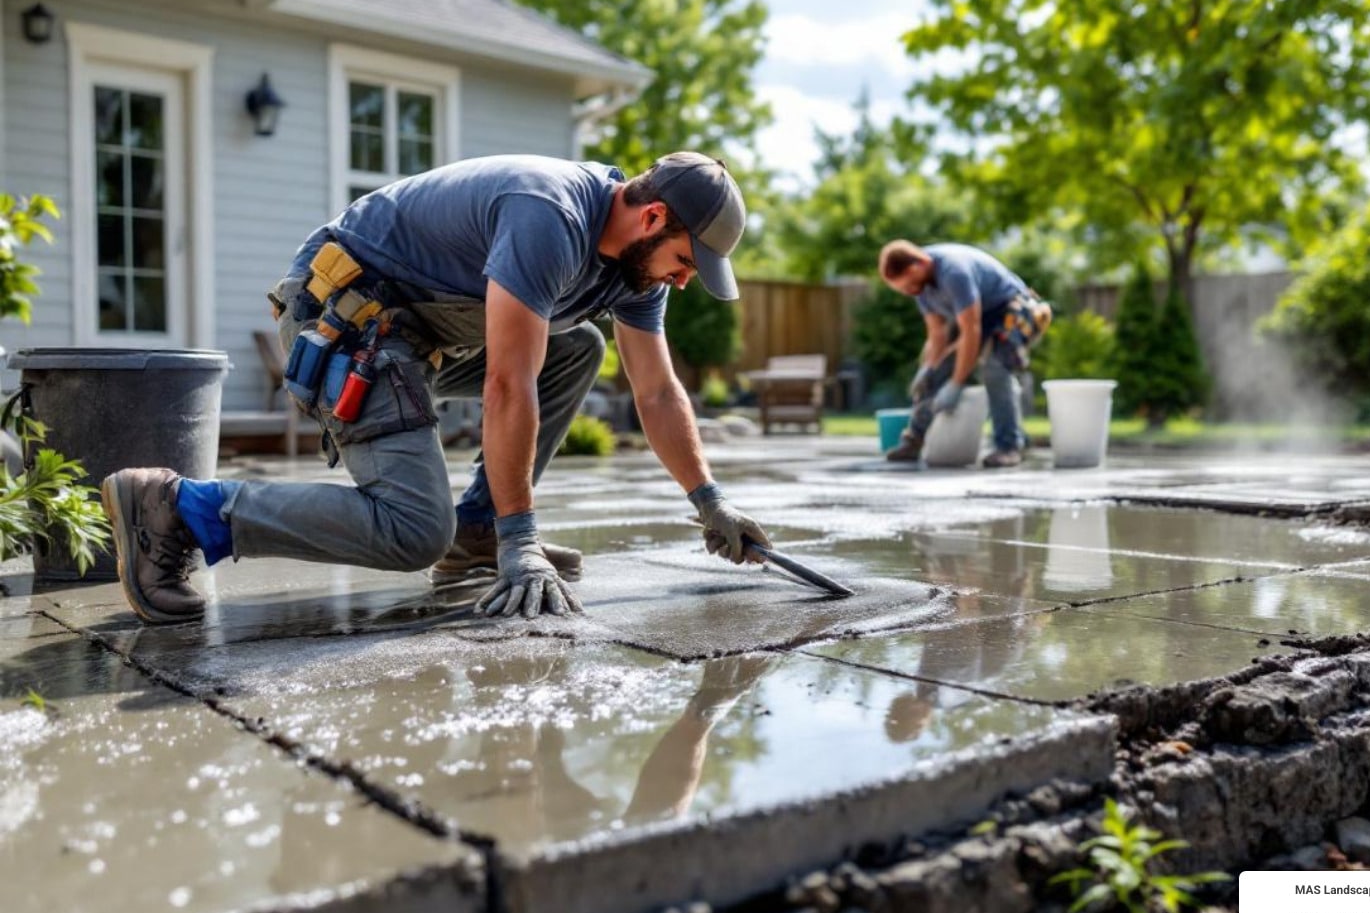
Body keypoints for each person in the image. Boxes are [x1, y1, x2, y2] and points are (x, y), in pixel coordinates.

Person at [101, 152, 772, 625]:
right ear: (653, 219)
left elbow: (656, 391)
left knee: (578, 349)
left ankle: (476, 531)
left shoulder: (632, 274)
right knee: (413, 529)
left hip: (419, 333)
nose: (683, 281)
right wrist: (524, 540)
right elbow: (508, 385)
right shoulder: (551, 214)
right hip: (348, 315)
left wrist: (710, 502)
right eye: (685, 262)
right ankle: (178, 509)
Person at [877, 240, 1050, 468]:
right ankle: (913, 440)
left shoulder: (953, 272)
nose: (909, 292)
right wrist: (928, 370)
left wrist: (956, 384)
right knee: (936, 374)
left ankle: (1009, 447)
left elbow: (971, 331)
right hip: (980, 319)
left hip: (1013, 310)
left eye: (908, 286)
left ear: (917, 265)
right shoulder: (922, 287)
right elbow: (937, 335)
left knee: (994, 368)